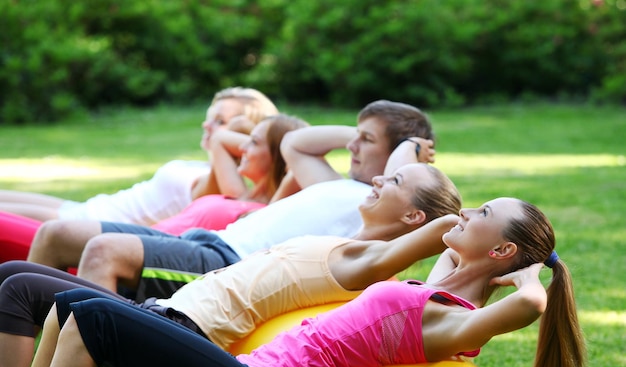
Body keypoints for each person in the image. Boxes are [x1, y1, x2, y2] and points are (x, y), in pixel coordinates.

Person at [6, 197, 585, 367]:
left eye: (484, 214)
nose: (471, 211)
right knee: (70, 305)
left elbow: (529, 307)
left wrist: (532, 276)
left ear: (504, 248)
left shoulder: (452, 321)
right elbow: (451, 259)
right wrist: (458, 230)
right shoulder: (437, 291)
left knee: (95, 314)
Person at [0, 162, 460, 367]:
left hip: (186, 328)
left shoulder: (366, 262)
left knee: (78, 310)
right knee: (19, 280)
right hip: (164, 309)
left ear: (415, 219)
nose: (379, 177)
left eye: (395, 180)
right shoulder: (348, 242)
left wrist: (485, 228)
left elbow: (437, 233)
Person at [27, 100, 437, 301]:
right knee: (56, 234)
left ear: (401, 154)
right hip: (205, 240)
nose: (351, 146)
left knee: (102, 251)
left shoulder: (386, 203)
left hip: (232, 264)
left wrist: (411, 146)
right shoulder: (337, 185)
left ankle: (91, 351)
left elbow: (401, 174)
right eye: (355, 136)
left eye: (366, 141)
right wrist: (362, 129)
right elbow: (295, 142)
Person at [0, 113, 308, 264]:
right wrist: (257, 141)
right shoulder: (243, 194)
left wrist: (287, 149)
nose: (244, 147)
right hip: (111, 242)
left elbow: (298, 167)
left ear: (278, 155)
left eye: (254, 142)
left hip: (119, 257)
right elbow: (219, 141)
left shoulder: (268, 211)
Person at [0, 87, 279, 225]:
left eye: (220, 122)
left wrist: (241, 135)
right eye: (210, 118)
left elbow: (236, 199)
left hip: (85, 225)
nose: (209, 126)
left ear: (244, 132)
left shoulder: (220, 183)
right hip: (86, 208)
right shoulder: (207, 168)